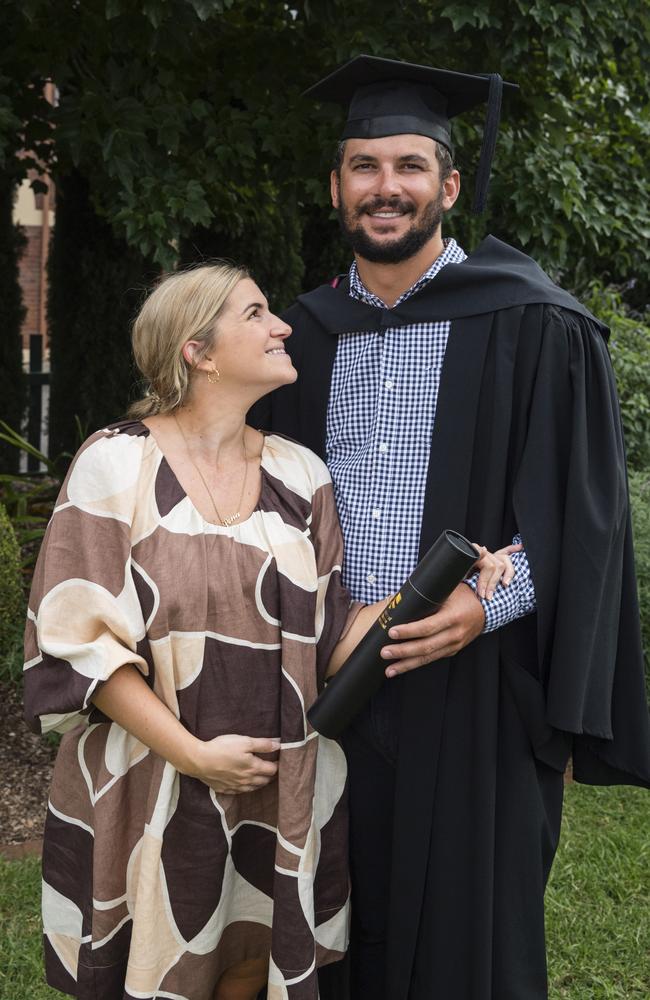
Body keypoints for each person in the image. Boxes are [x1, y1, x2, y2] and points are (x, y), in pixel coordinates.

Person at [250, 55, 650, 1000]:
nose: (386, 188)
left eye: (409, 167)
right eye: (363, 167)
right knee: (328, 927)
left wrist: (488, 601)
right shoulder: (295, 340)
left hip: (478, 687)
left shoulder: (536, 325)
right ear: (338, 184)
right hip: (326, 679)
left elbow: (584, 517)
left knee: (473, 937)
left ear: (449, 185)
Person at [23, 261, 513, 1000]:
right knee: (154, 971)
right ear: (199, 351)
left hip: (273, 785)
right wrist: (194, 754)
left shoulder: (301, 474)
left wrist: (447, 582)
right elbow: (77, 644)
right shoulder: (113, 463)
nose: (283, 325)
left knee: (248, 970)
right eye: (255, 314)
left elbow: (331, 638)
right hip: (152, 780)